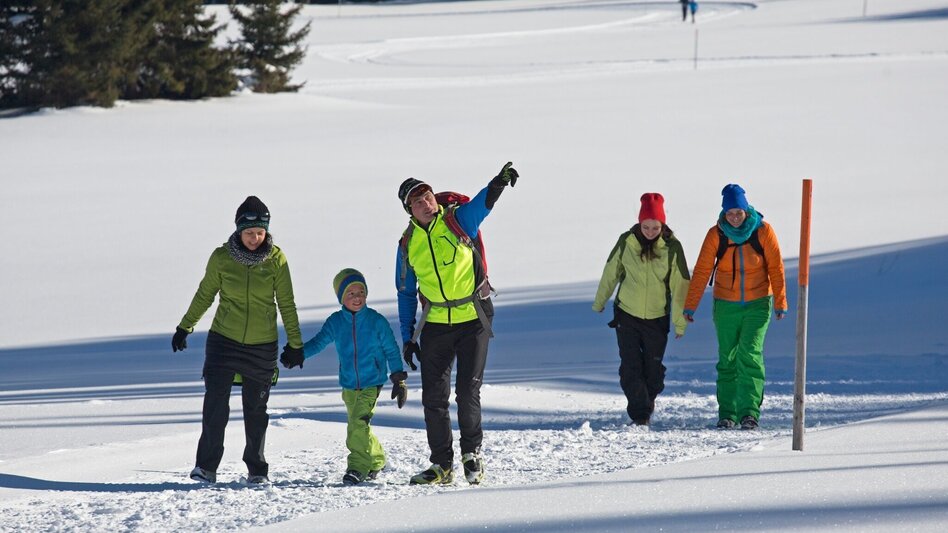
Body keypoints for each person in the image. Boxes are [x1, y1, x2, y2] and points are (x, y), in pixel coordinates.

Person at [396, 162, 518, 485]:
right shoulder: (408, 244)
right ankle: (442, 465)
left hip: (473, 317)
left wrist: (498, 182)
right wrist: (407, 337)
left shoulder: (456, 220)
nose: (425, 204)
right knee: (433, 397)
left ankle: (471, 454)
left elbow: (483, 203)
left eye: (427, 196)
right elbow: (406, 293)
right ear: (409, 210)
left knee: (467, 390)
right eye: (417, 202)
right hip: (435, 322)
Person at [172, 195, 304, 485]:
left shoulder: (277, 259)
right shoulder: (221, 258)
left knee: (256, 411)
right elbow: (205, 294)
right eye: (249, 233)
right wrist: (185, 326)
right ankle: (205, 467)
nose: (255, 238)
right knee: (215, 404)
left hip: (262, 345)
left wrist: (296, 344)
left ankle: (257, 470)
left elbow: (287, 303)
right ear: (238, 230)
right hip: (224, 341)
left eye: (260, 232)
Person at [280, 268, 408, 486]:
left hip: (372, 381)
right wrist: (299, 353)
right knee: (360, 425)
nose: (357, 298)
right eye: (351, 293)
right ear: (341, 298)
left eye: (360, 292)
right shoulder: (336, 322)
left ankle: (358, 466)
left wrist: (398, 378)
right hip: (349, 383)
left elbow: (391, 349)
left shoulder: (376, 321)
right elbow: (319, 342)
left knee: (357, 424)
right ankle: (376, 459)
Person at [683, 184, 787, 431]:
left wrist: (781, 301)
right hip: (726, 304)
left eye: (738, 211)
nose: (734, 217)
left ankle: (749, 412)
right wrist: (690, 306)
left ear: (746, 208)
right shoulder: (716, 234)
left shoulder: (763, 231)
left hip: (759, 302)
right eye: (729, 213)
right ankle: (727, 414)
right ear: (723, 213)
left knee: (749, 354)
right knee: (727, 357)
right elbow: (701, 271)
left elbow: (776, 267)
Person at [593, 193, 691, 426]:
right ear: (639, 223)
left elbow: (680, 287)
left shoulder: (672, 248)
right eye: (645, 226)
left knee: (653, 371)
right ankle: (640, 415)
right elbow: (611, 272)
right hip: (627, 314)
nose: (649, 231)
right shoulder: (627, 241)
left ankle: (647, 401)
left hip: (657, 318)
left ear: (662, 224)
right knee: (630, 366)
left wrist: (680, 321)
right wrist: (601, 301)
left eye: (655, 226)